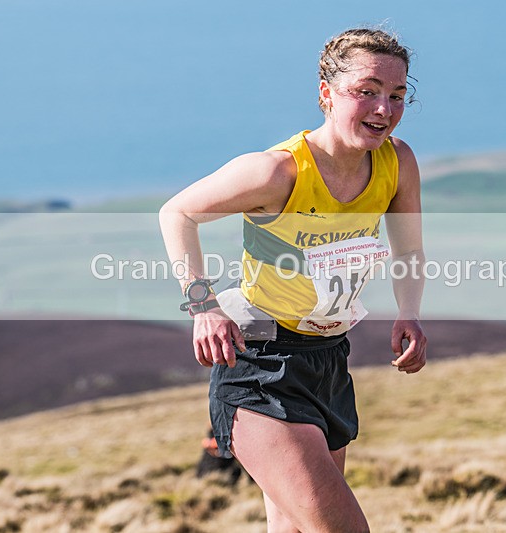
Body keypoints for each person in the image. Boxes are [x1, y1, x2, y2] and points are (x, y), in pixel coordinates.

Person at [159, 26, 427, 532]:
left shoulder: (397, 163)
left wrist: (408, 311)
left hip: (329, 362)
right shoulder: (276, 172)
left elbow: (408, 246)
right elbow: (177, 214)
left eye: (396, 95)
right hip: (259, 365)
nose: (383, 109)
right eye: (366, 91)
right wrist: (204, 307)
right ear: (327, 94)